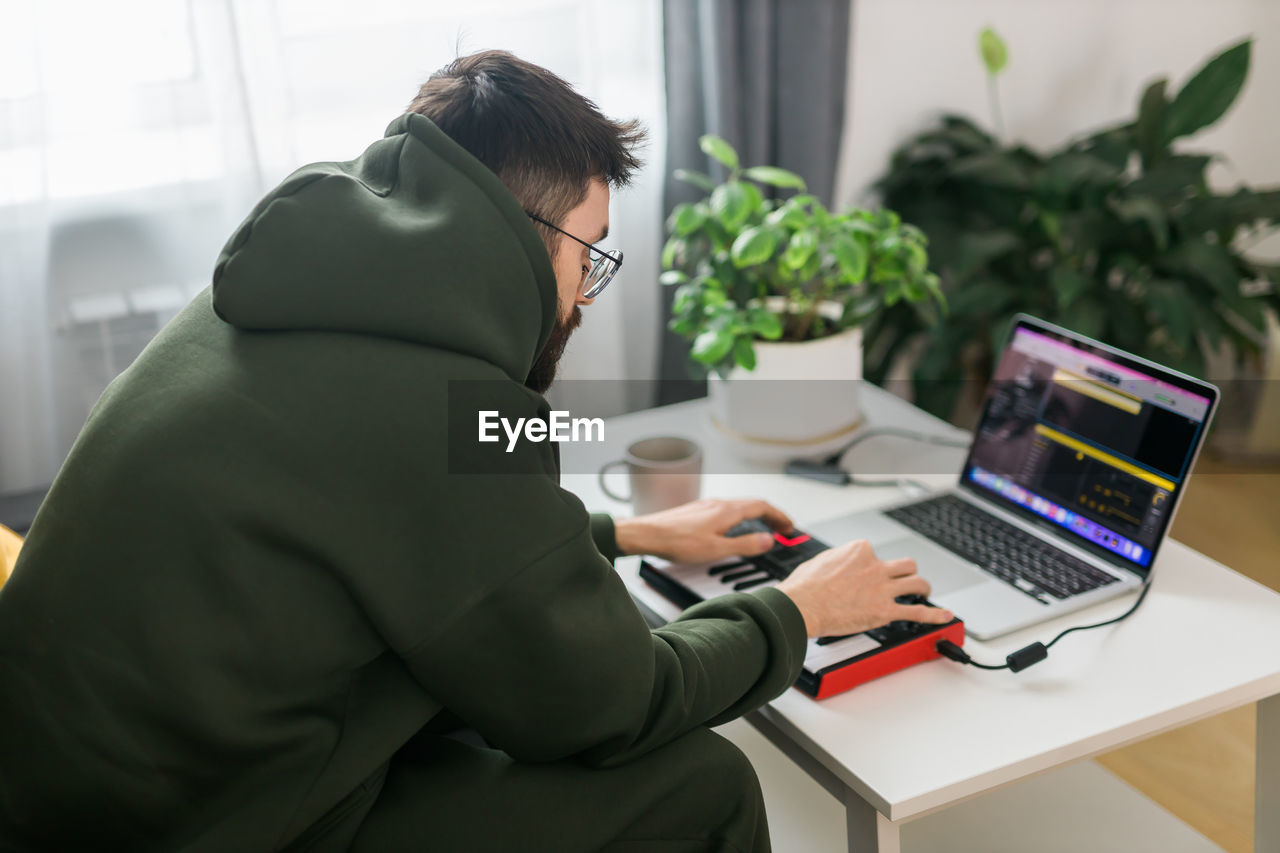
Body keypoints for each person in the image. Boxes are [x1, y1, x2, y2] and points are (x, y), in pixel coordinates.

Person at [0, 50, 952, 852]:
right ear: (526, 236)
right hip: (206, 825)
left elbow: (387, 525)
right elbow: (615, 703)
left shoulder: (272, 293)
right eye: (592, 256)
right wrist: (796, 606)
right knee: (702, 782)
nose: (583, 298)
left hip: (68, 783)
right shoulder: (438, 395)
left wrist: (627, 533)